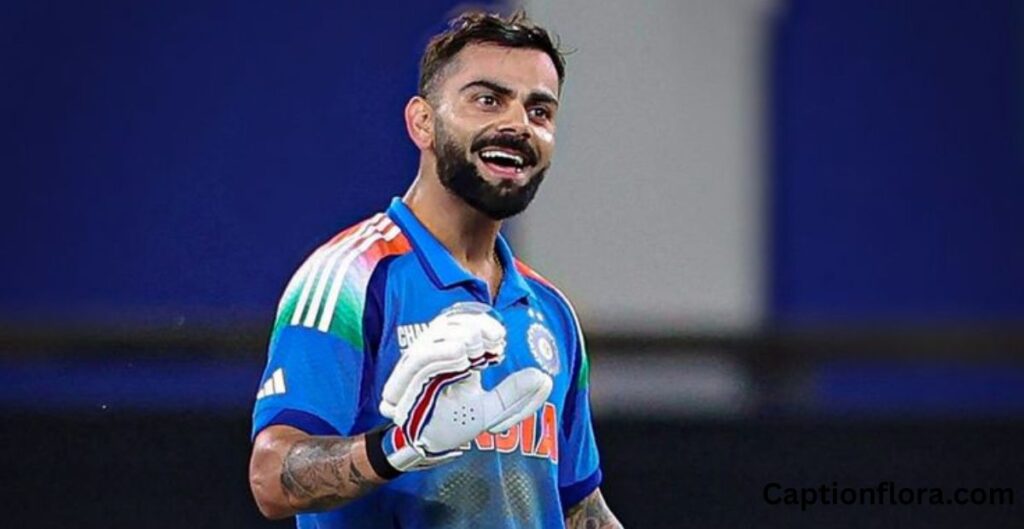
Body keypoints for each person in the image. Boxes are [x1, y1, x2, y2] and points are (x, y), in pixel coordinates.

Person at [248, 10, 622, 529]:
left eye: (539, 111)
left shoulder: (552, 313)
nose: (518, 125)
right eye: (487, 100)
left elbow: (580, 507)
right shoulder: (352, 278)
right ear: (422, 122)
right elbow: (271, 478)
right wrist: (399, 448)